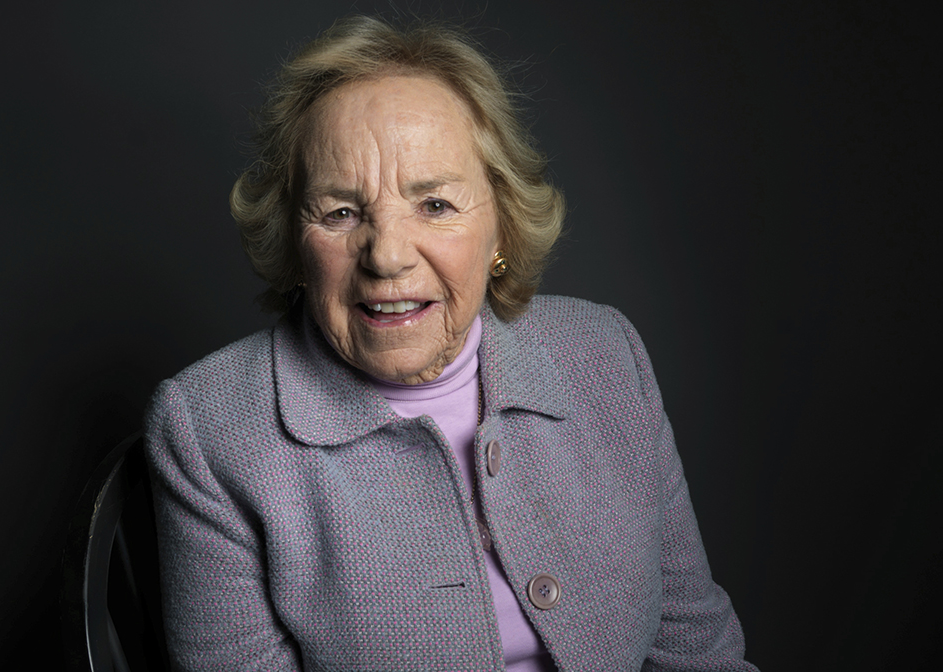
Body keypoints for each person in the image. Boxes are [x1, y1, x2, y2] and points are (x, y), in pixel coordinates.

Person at [145, 15, 758, 672]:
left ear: (501, 224)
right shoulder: (209, 430)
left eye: (434, 204)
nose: (386, 256)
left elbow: (695, 647)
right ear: (295, 240)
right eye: (341, 212)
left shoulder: (606, 355)